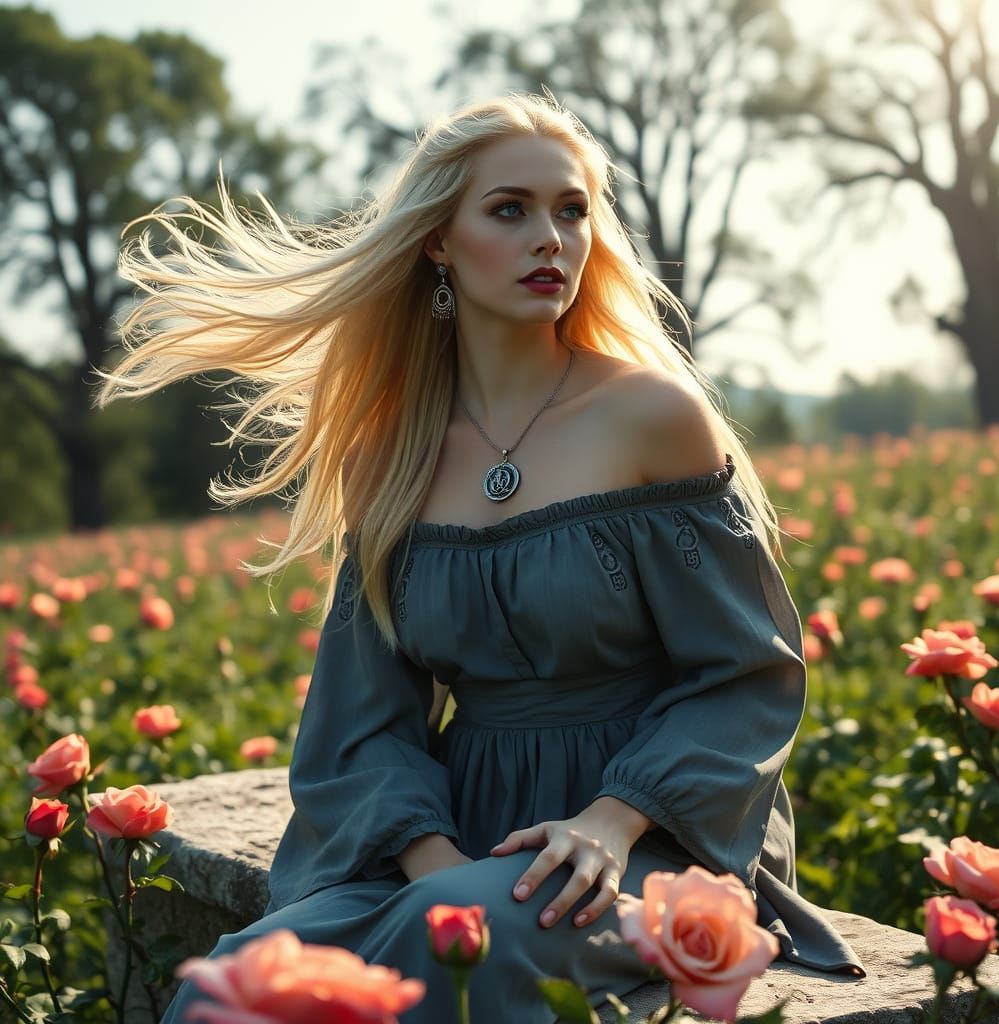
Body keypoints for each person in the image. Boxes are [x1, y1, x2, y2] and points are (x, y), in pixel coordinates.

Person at [96, 90, 864, 1023]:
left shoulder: (653, 419)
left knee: (469, 941)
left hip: (656, 825)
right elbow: (361, 722)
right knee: (235, 982)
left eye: (571, 210)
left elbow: (748, 676)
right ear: (438, 241)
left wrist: (610, 823)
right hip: (456, 827)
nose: (552, 237)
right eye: (511, 210)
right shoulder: (396, 450)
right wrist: (434, 864)